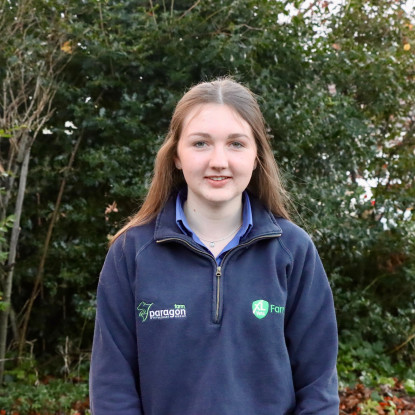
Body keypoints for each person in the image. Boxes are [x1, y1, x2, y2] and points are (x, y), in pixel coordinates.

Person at [89, 78, 339, 414]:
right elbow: (112, 387)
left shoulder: (293, 251)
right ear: (176, 155)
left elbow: (318, 387)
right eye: (200, 143)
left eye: (236, 144)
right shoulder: (130, 253)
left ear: (256, 156)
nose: (219, 161)